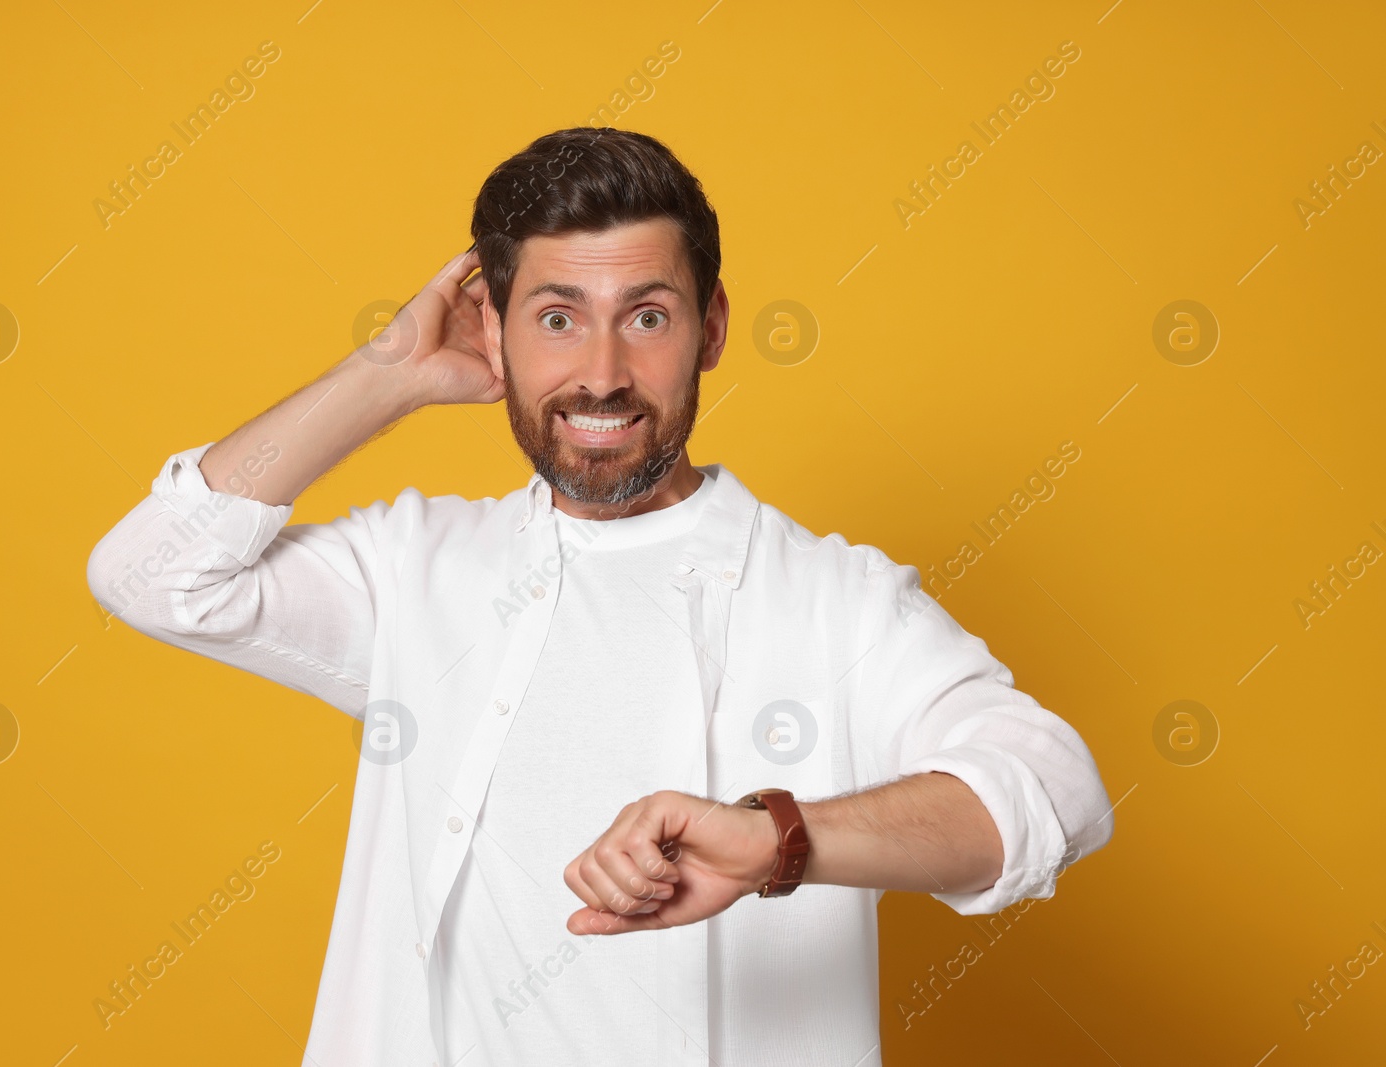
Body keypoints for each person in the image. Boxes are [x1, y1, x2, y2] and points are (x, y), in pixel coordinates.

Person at [87, 126, 1113, 1066]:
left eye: (648, 316)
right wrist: (389, 368)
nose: (603, 373)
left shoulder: (832, 599)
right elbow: (152, 574)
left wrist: (774, 837)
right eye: (558, 318)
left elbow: (1051, 790)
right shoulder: (414, 571)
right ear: (493, 331)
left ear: (710, 328)